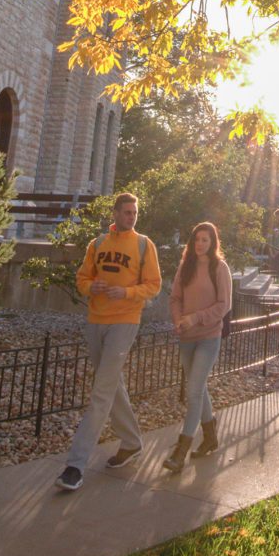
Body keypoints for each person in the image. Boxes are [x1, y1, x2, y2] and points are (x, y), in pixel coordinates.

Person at [55, 193, 162, 491]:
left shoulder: (144, 245)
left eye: (135, 212)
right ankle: (131, 442)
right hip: (96, 321)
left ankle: (74, 466)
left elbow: (154, 285)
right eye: (126, 212)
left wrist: (127, 293)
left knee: (101, 392)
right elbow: (82, 279)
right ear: (114, 213)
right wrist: (93, 286)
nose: (131, 216)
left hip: (125, 321)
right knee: (112, 384)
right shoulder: (98, 244)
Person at [166, 222, 233, 472]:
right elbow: (175, 298)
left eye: (205, 240)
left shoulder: (220, 268)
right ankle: (211, 436)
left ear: (213, 242)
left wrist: (197, 318)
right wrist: (178, 320)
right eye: (197, 240)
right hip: (187, 338)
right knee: (198, 386)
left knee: (193, 390)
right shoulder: (186, 267)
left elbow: (223, 305)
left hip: (208, 336)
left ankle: (180, 452)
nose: (200, 244)